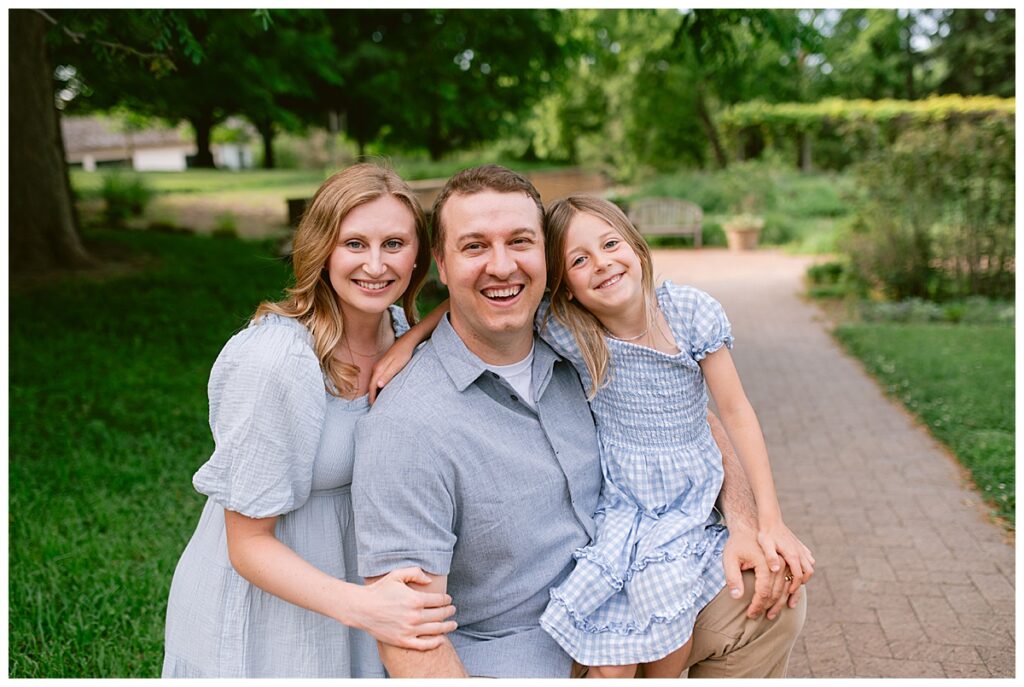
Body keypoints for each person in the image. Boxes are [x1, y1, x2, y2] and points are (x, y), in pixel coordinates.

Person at [353, 165, 807, 679]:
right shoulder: (409, 423)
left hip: (623, 587)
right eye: (475, 246)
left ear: (547, 266)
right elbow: (408, 635)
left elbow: (691, 417)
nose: (502, 266)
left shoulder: (580, 339)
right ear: (441, 262)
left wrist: (746, 524)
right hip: (515, 657)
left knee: (768, 595)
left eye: (520, 241)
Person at [161, 164, 456, 678]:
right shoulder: (276, 359)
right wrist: (363, 607)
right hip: (273, 605)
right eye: (354, 244)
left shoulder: (399, 330)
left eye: (394, 244)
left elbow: (510, 292)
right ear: (322, 250)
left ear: (419, 257)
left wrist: (419, 331)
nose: (375, 264)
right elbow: (247, 545)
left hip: (359, 587)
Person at [534, 195, 814, 678]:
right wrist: (412, 337)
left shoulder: (687, 313)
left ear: (636, 247)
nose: (601, 263)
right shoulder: (576, 333)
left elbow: (736, 413)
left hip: (687, 500)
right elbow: (477, 305)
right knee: (616, 661)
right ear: (566, 290)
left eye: (610, 244)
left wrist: (770, 520)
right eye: (579, 260)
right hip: (625, 505)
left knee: (669, 623)